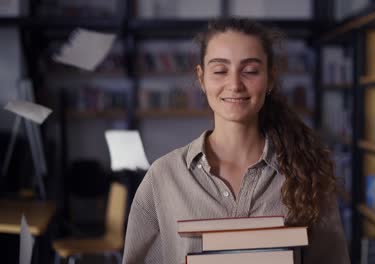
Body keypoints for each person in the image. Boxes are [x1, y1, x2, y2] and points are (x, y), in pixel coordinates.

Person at [122, 18, 349, 264]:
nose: (234, 84)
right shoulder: (162, 178)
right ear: (201, 78)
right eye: (220, 71)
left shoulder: (307, 173)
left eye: (250, 71)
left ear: (270, 78)